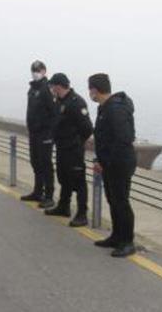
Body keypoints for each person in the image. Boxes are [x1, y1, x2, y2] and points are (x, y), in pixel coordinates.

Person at [89, 73, 137, 258]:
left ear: (94, 89)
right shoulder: (105, 107)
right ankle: (117, 237)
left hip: (120, 163)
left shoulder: (115, 109)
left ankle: (127, 242)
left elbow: (122, 139)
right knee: (113, 200)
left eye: (90, 89)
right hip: (109, 163)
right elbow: (104, 138)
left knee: (121, 202)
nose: (90, 93)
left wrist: (107, 162)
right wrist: (100, 160)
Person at [45, 73, 93, 227]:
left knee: (78, 182)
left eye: (52, 86)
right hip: (62, 148)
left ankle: (82, 213)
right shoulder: (59, 101)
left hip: (74, 150)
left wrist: (77, 142)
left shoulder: (76, 102)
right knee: (63, 178)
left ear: (58, 86)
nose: (51, 89)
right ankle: (63, 206)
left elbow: (87, 128)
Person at [22, 60, 57, 208]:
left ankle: (49, 195)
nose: (35, 72)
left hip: (45, 134)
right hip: (34, 133)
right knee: (35, 162)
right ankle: (38, 191)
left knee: (46, 164)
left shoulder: (47, 89)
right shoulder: (32, 89)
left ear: (44, 71)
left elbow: (54, 112)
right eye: (33, 70)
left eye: (38, 70)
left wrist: (50, 133)